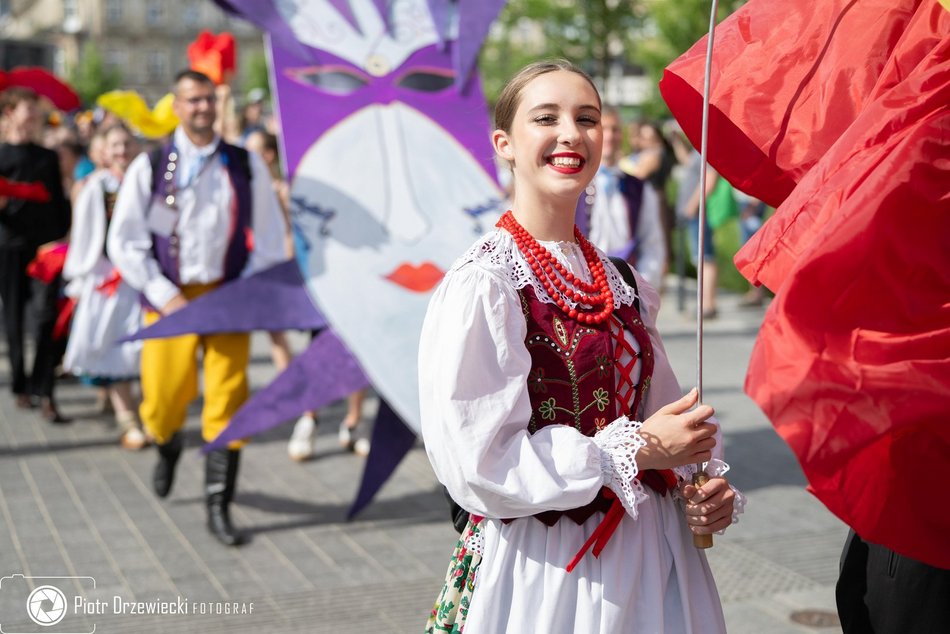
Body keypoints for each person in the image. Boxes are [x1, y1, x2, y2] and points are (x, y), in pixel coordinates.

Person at [420, 60, 742, 633]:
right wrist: (637, 448)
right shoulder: (485, 285)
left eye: (586, 118)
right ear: (505, 144)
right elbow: (478, 463)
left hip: (656, 555)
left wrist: (704, 483)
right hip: (548, 568)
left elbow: (669, 420)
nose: (571, 133)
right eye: (546, 118)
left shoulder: (622, 282)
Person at [107, 69, 288, 546]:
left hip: (227, 297)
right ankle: (167, 446)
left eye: (209, 99)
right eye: (192, 100)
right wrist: (163, 293)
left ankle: (218, 506)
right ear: (177, 106)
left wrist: (245, 291)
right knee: (163, 401)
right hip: (171, 299)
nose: (203, 108)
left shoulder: (244, 164)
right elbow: (125, 241)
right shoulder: (153, 166)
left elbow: (269, 240)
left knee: (228, 402)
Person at [62, 122, 148, 449]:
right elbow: (85, 236)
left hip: (140, 278)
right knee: (113, 345)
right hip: (107, 279)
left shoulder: (150, 182)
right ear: (104, 150)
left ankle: (143, 412)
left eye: (126, 144)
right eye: (115, 145)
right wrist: (82, 278)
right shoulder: (96, 187)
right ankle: (128, 420)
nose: (122, 151)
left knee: (140, 348)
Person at [0, 87, 71, 423]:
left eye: (36, 110)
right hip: (9, 246)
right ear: (10, 112)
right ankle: (20, 384)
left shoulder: (47, 157)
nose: (32, 116)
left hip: (45, 250)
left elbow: (59, 202)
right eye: (27, 109)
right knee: (13, 318)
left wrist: (64, 239)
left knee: (45, 318)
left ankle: (46, 390)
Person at [581, 106, 666, 290]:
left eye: (615, 129)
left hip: (626, 287)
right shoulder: (574, 184)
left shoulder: (640, 188)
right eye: (604, 129)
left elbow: (652, 242)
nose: (610, 136)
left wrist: (641, 286)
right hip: (582, 287)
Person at [673, 131, 720, 318]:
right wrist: (676, 140)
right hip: (694, 212)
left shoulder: (708, 149)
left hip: (700, 212)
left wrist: (692, 205)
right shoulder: (698, 149)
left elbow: (710, 178)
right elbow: (687, 162)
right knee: (699, 257)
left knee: (705, 257)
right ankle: (705, 304)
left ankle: (708, 305)